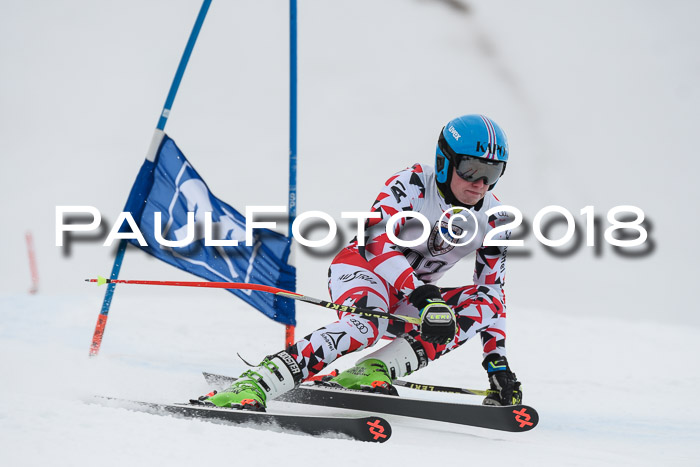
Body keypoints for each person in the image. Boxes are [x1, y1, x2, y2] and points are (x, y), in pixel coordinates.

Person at [202, 114, 522, 410]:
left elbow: (492, 289)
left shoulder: (495, 219)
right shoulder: (411, 184)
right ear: (445, 162)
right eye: (471, 169)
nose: (479, 183)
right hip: (362, 271)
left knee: (487, 300)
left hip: (413, 299)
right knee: (367, 325)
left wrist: (497, 363)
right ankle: (256, 383)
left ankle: (374, 369)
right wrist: (423, 296)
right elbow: (375, 242)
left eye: (491, 173)